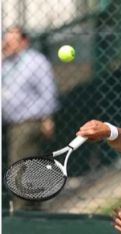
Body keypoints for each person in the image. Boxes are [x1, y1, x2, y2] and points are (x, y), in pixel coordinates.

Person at [2, 26, 59, 207]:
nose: (7, 43)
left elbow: (48, 91)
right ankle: (33, 208)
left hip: (28, 122)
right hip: (8, 123)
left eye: (12, 40)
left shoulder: (35, 61)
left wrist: (47, 118)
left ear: (24, 42)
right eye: (6, 39)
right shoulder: (5, 62)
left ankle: (22, 212)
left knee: (19, 167)